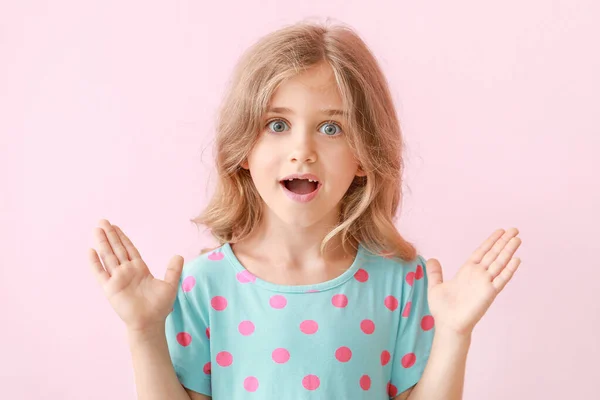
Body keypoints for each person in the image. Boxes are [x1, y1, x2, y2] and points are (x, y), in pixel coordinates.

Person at [89, 19, 523, 400]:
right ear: (243, 148)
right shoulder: (203, 285)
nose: (302, 151)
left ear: (363, 155)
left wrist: (454, 333)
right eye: (277, 125)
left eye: (331, 128)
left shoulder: (403, 282)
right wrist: (144, 332)